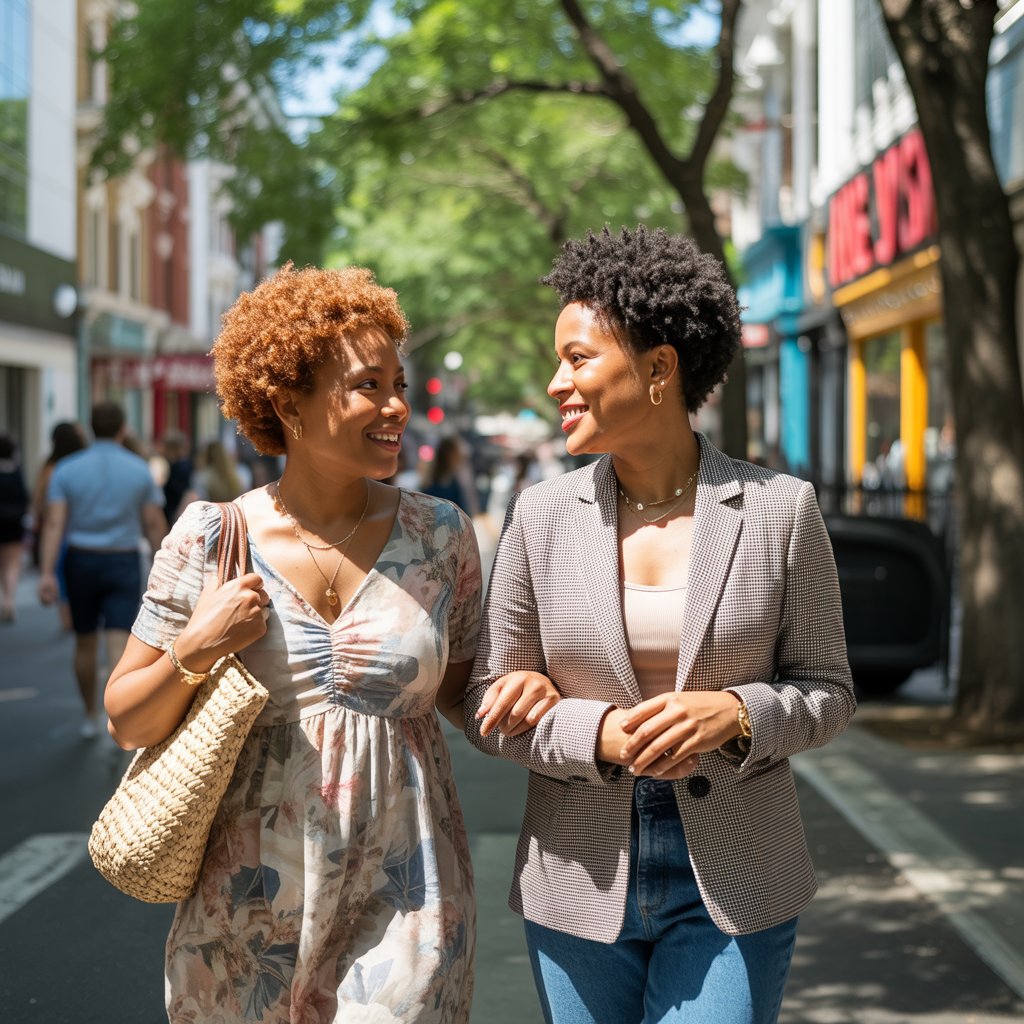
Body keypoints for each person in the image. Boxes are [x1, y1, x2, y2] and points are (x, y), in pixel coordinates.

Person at [102, 263, 557, 1024]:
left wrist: (528, 696)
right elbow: (127, 719)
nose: (396, 407)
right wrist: (199, 645)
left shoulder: (439, 534)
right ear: (289, 402)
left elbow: (467, 696)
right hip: (243, 907)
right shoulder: (212, 537)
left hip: (405, 890)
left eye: (399, 384)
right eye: (367, 385)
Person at [465, 226, 855, 1024]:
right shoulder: (539, 516)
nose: (555, 382)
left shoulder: (782, 510)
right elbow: (487, 705)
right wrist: (597, 733)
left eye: (577, 359)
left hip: (737, 874)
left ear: (657, 369)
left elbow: (829, 690)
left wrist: (742, 715)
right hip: (577, 876)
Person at [37, 402, 167, 737]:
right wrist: (165, 564)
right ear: (123, 428)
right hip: (122, 558)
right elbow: (153, 522)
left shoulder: (67, 468)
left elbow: (54, 524)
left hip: (81, 559)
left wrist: (48, 572)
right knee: (118, 640)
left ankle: (89, 714)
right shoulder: (139, 469)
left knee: (84, 642)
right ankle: (118, 716)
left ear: (91, 427)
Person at [30, 420, 87, 627]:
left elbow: (38, 498)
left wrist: (39, 515)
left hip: (55, 525)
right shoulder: (81, 464)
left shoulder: (49, 466)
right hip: (79, 523)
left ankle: (66, 614)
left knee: (61, 570)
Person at [0, 434, 29, 622]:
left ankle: (4, 600)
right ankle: (9, 601)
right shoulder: (16, 471)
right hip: (15, 524)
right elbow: (25, 498)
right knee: (12, 564)